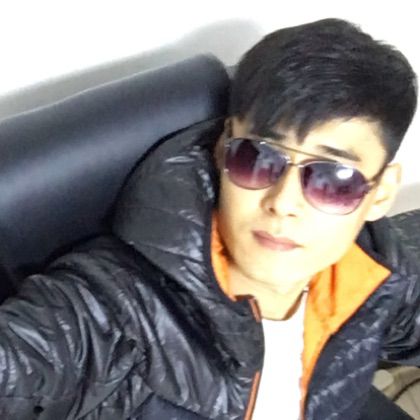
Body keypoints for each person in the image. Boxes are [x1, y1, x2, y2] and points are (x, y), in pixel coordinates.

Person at [0, 17, 418, 420]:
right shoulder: (119, 306)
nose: (283, 202)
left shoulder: (374, 272)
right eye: (257, 158)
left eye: (334, 179)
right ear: (222, 149)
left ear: (380, 193)